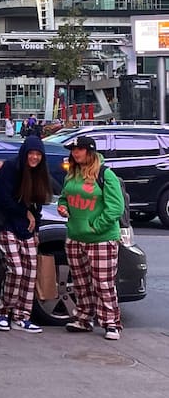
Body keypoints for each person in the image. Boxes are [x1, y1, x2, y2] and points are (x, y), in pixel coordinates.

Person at [57, 135, 125, 340]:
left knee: (103, 283)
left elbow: (116, 207)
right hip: (75, 237)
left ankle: (111, 323)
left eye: (79, 149)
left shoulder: (105, 174)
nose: (75, 153)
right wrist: (63, 207)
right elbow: (64, 197)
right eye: (73, 150)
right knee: (80, 283)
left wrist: (96, 227)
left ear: (90, 151)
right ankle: (83, 319)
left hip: (101, 239)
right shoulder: (72, 174)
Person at [0, 135, 52, 333]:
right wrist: (25, 212)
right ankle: (3, 312)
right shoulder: (11, 167)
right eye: (31, 153)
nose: (34, 157)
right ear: (24, 153)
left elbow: (37, 206)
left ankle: (22, 316)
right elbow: (2, 198)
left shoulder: (40, 174)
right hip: (6, 224)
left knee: (31, 271)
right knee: (15, 270)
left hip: (27, 228)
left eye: (38, 154)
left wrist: (36, 229)